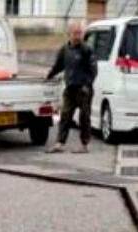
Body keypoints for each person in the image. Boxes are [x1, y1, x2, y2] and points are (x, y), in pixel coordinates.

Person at [45, 22, 97, 153]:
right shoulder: (65, 50)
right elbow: (58, 66)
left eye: (80, 33)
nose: (78, 36)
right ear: (69, 34)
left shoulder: (87, 50)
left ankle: (84, 144)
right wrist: (49, 76)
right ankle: (59, 143)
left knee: (84, 117)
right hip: (70, 88)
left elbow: (93, 70)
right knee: (65, 116)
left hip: (83, 89)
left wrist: (87, 85)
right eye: (75, 33)